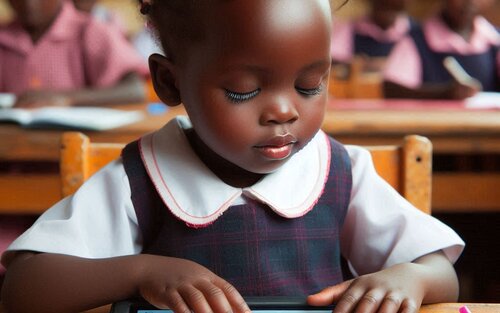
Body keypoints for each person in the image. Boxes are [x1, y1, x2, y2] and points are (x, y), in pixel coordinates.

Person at [1, 1, 464, 312]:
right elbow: (23, 290)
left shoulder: (341, 172)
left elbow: (440, 272)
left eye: (310, 86)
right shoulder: (140, 177)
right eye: (244, 91)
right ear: (169, 83)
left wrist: (411, 279)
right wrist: (141, 271)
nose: (285, 110)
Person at [0, 0, 149, 108]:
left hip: (76, 144)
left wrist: (66, 98)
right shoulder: (3, 38)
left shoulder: (89, 30)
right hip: (12, 145)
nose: (29, 3)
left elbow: (135, 89)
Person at [383, 0, 500, 99]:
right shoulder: (416, 40)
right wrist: (443, 94)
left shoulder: (495, 40)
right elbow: (391, 89)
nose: (469, 2)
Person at [331, 0, 416, 65]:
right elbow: (332, 63)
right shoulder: (349, 31)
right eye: (382, 5)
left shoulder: (417, 38)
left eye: (393, 7)